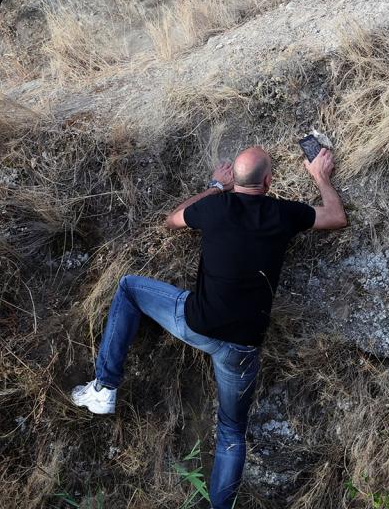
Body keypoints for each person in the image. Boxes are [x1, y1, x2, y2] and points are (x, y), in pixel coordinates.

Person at [71, 143, 347, 509]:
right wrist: (320, 177)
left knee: (128, 288)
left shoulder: (216, 206)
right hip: (240, 349)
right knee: (231, 433)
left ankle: (104, 387)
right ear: (269, 180)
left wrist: (216, 186)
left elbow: (173, 219)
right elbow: (335, 217)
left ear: (236, 178)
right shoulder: (283, 214)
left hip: (195, 323)